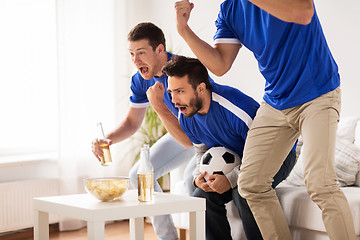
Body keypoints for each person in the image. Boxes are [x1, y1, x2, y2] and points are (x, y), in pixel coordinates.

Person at [174, 1, 356, 239]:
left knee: (320, 183)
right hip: (277, 102)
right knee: (250, 184)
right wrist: (183, 29)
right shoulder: (230, 9)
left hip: (318, 93)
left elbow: (303, 12)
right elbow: (219, 64)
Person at [150, 55, 297, 240]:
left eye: (179, 91)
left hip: (277, 154)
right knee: (201, 197)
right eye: (171, 92)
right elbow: (201, 151)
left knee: (245, 191)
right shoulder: (186, 116)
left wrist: (230, 179)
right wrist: (199, 177)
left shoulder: (237, 109)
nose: (173, 100)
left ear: (201, 88)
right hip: (240, 159)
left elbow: (263, 153)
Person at [91, 22, 194, 240]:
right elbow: (131, 122)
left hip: (203, 135)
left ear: (159, 50)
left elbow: (192, 133)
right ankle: (168, 238)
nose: (135, 61)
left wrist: (159, 104)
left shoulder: (184, 71)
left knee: (192, 182)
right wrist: (107, 139)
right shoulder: (140, 80)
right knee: (139, 174)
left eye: (140, 53)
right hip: (178, 134)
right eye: (131, 54)